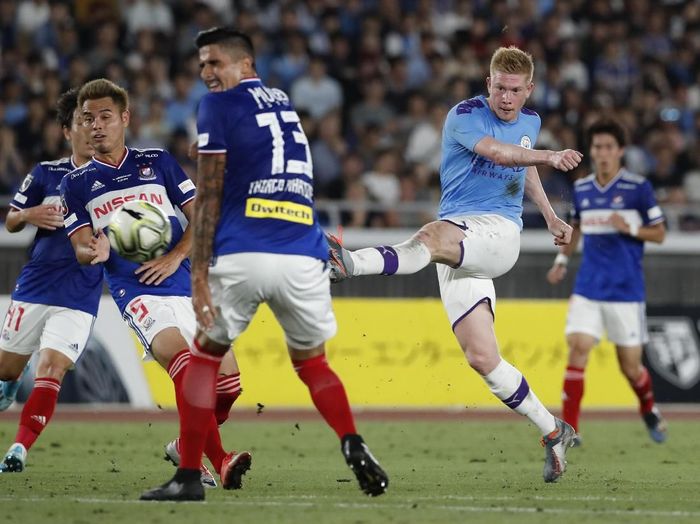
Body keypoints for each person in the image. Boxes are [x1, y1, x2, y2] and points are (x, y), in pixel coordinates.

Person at [141, 27, 388, 502]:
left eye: (215, 63)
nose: (206, 74)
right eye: (201, 67)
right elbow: (263, 160)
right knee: (313, 364)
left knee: (204, 359)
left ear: (245, 64)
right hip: (303, 251)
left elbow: (209, 192)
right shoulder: (283, 102)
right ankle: (352, 441)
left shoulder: (215, 105)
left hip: (245, 251)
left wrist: (195, 272)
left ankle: (189, 476)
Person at [328, 46, 583, 483]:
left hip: (499, 234)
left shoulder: (531, 123)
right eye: (499, 87)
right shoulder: (464, 115)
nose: (506, 97)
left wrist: (549, 214)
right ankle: (553, 430)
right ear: (488, 84)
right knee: (482, 357)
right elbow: (504, 155)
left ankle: (349, 263)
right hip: (460, 242)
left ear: (529, 91)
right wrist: (548, 155)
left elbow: (523, 164)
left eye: (515, 90)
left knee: (429, 236)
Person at [60, 78, 246, 490]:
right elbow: (80, 249)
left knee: (229, 388)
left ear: (124, 118)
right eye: (87, 118)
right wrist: (97, 252)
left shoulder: (157, 161)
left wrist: (175, 256)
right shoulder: (74, 185)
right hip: (137, 289)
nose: (95, 126)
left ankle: (186, 444)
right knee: (184, 364)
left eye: (105, 116)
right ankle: (218, 458)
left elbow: (202, 217)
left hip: (184, 281)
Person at [0, 88, 103, 473]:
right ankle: (10, 381)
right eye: (82, 121)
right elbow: (10, 220)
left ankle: (18, 450)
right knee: (6, 372)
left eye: (96, 121)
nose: (91, 128)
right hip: (35, 287)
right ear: (66, 131)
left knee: (52, 368)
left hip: (80, 293)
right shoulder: (46, 173)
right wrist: (30, 215)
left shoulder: (115, 178)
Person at [546, 118, 667, 444]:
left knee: (630, 368)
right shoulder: (582, 189)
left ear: (620, 151)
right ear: (592, 151)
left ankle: (649, 408)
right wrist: (560, 260)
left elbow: (660, 233)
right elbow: (575, 229)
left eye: (608, 147)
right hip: (588, 287)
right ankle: (571, 430)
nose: (602, 153)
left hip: (626, 292)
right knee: (579, 347)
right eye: (597, 147)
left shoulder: (637, 189)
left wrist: (631, 229)